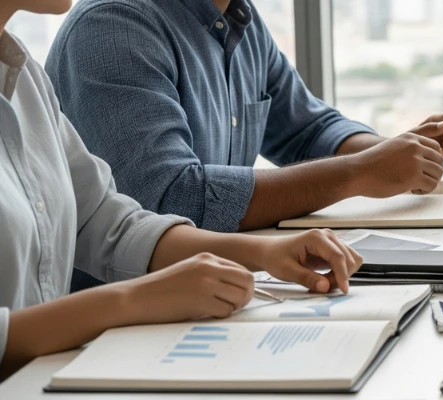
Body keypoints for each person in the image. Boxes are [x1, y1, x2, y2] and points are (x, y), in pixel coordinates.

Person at [0, 0, 363, 378]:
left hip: (50, 377)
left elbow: (105, 222)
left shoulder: (23, 76)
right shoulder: (110, 25)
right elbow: (171, 195)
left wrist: (263, 253)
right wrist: (135, 300)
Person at [44, 0, 443, 233]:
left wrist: (402, 153)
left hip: (213, 290)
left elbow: (308, 130)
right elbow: (170, 200)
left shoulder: (239, 17)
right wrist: (360, 172)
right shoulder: (113, 27)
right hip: (117, 333)